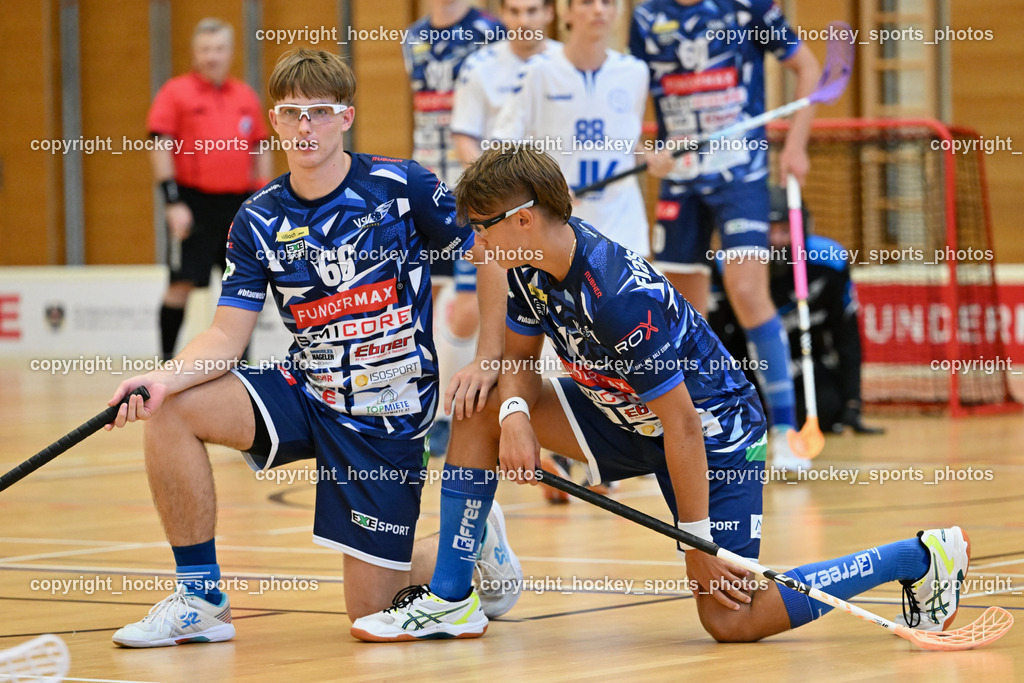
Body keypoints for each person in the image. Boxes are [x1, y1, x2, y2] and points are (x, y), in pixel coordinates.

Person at [349, 148, 972, 644]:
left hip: (714, 436)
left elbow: (684, 428)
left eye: (481, 231)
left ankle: (916, 557)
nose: (474, 247)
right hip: (619, 417)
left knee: (733, 621)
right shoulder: (530, 262)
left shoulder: (618, 298)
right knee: (480, 404)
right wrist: (513, 413)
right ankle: (453, 598)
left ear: (523, 221)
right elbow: (514, 360)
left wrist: (697, 543)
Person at [104, 49, 520, 648]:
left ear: (345, 117)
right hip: (309, 388)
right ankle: (200, 596)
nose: (305, 127)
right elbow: (226, 335)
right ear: (273, 121)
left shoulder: (402, 186)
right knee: (171, 408)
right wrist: (164, 378)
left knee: (368, 615)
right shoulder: (257, 217)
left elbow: (491, 246)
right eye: (292, 113)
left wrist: (488, 356)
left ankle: (469, 538)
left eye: (319, 112)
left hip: (387, 410)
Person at [629, 0, 821, 468]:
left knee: (747, 289)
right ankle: (698, 425)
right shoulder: (646, 16)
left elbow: (808, 67)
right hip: (681, 175)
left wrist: (795, 145)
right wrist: (644, 149)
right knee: (680, 308)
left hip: (742, 173)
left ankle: (783, 430)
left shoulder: (748, 7)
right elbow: (634, 91)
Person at [492, 0, 675, 257]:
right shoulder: (538, 71)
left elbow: (627, 144)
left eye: (607, 3)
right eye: (587, 2)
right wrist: (541, 185)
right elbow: (502, 147)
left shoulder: (635, 72)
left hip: (622, 226)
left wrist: (654, 160)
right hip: (559, 226)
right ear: (566, 11)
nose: (599, 10)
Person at [403, 0, 505, 457]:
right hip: (427, 181)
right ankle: (432, 412)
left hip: (472, 185)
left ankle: (458, 410)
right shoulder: (412, 37)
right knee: (427, 295)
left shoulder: (490, 30)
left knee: (466, 303)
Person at [708, 186, 884, 448]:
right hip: (747, 366)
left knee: (827, 411)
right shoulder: (728, 268)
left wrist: (853, 402)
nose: (778, 240)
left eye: (785, 230)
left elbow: (846, 336)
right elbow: (714, 338)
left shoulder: (829, 263)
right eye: (771, 230)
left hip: (804, 365)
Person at [149, 18, 273, 361]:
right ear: (194, 52)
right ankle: (165, 363)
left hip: (239, 205)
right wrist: (172, 201)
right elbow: (159, 143)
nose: (212, 56)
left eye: (218, 49)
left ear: (230, 52)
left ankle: (240, 366)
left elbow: (261, 148)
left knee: (243, 286)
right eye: (205, 49)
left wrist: (264, 201)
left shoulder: (245, 95)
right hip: (192, 202)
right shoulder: (175, 92)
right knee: (181, 283)